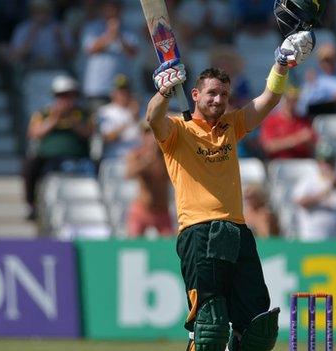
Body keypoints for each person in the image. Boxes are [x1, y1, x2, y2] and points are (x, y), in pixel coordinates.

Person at [145, 27, 315, 351]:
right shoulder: (177, 131)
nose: (218, 99)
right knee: (209, 330)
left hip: (236, 231)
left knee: (257, 330)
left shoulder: (231, 125)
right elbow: (153, 118)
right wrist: (164, 92)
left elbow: (269, 99)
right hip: (198, 232)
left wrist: (280, 64)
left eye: (223, 94)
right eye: (211, 93)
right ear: (195, 95)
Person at [23, 75, 94, 220]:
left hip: (77, 156)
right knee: (30, 166)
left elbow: (88, 133)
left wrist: (73, 121)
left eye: (69, 96)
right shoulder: (44, 114)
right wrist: (54, 120)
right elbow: (34, 133)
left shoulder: (83, 114)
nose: (65, 100)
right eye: (61, 96)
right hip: (48, 158)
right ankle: (31, 205)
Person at [292, 141, 336, 241]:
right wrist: (327, 191)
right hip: (313, 239)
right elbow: (301, 202)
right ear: (319, 163)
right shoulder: (308, 181)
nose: (329, 165)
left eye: (331, 162)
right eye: (326, 162)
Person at [80, 0, 138, 111]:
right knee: (98, 123)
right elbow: (90, 49)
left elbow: (133, 53)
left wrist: (119, 36)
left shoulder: (128, 29)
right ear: (102, 10)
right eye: (108, 8)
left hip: (122, 89)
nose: (112, 11)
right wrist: (110, 34)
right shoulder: (92, 28)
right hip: (98, 88)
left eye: (115, 8)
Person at [125, 122, 174, 237]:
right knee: (133, 247)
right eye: (147, 133)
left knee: (169, 248)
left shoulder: (167, 156)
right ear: (142, 136)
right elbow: (128, 174)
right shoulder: (137, 155)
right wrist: (147, 161)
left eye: (154, 132)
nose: (151, 136)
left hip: (162, 211)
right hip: (142, 209)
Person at [9, 0, 75, 72]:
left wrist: (60, 39)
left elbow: (71, 56)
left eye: (44, 10)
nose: (41, 15)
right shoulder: (23, 29)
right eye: (37, 11)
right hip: (31, 72)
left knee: (65, 83)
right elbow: (14, 57)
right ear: (31, 11)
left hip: (57, 71)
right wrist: (30, 38)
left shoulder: (60, 28)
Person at [259, 85, 317, 159]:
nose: (292, 103)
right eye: (289, 100)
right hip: (279, 162)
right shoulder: (271, 120)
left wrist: (308, 142)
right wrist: (297, 139)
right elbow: (268, 147)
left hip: (302, 161)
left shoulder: (304, 120)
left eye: (295, 100)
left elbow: (313, 146)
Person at [96, 74, 141, 159]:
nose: (124, 94)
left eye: (126, 91)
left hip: (137, 158)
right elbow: (106, 138)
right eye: (120, 91)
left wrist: (138, 117)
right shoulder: (105, 112)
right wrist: (130, 120)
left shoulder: (139, 110)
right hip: (114, 159)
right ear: (113, 93)